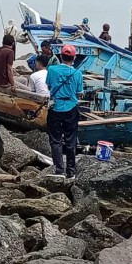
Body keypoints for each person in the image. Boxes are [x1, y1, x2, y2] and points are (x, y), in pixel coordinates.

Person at [45, 44, 83, 180]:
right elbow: (79, 92)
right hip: (71, 108)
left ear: (61, 56)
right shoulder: (77, 73)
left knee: (55, 140)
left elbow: (49, 86)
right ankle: (71, 171)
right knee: (70, 140)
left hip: (55, 107)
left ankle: (59, 169)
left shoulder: (52, 70)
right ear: (74, 58)